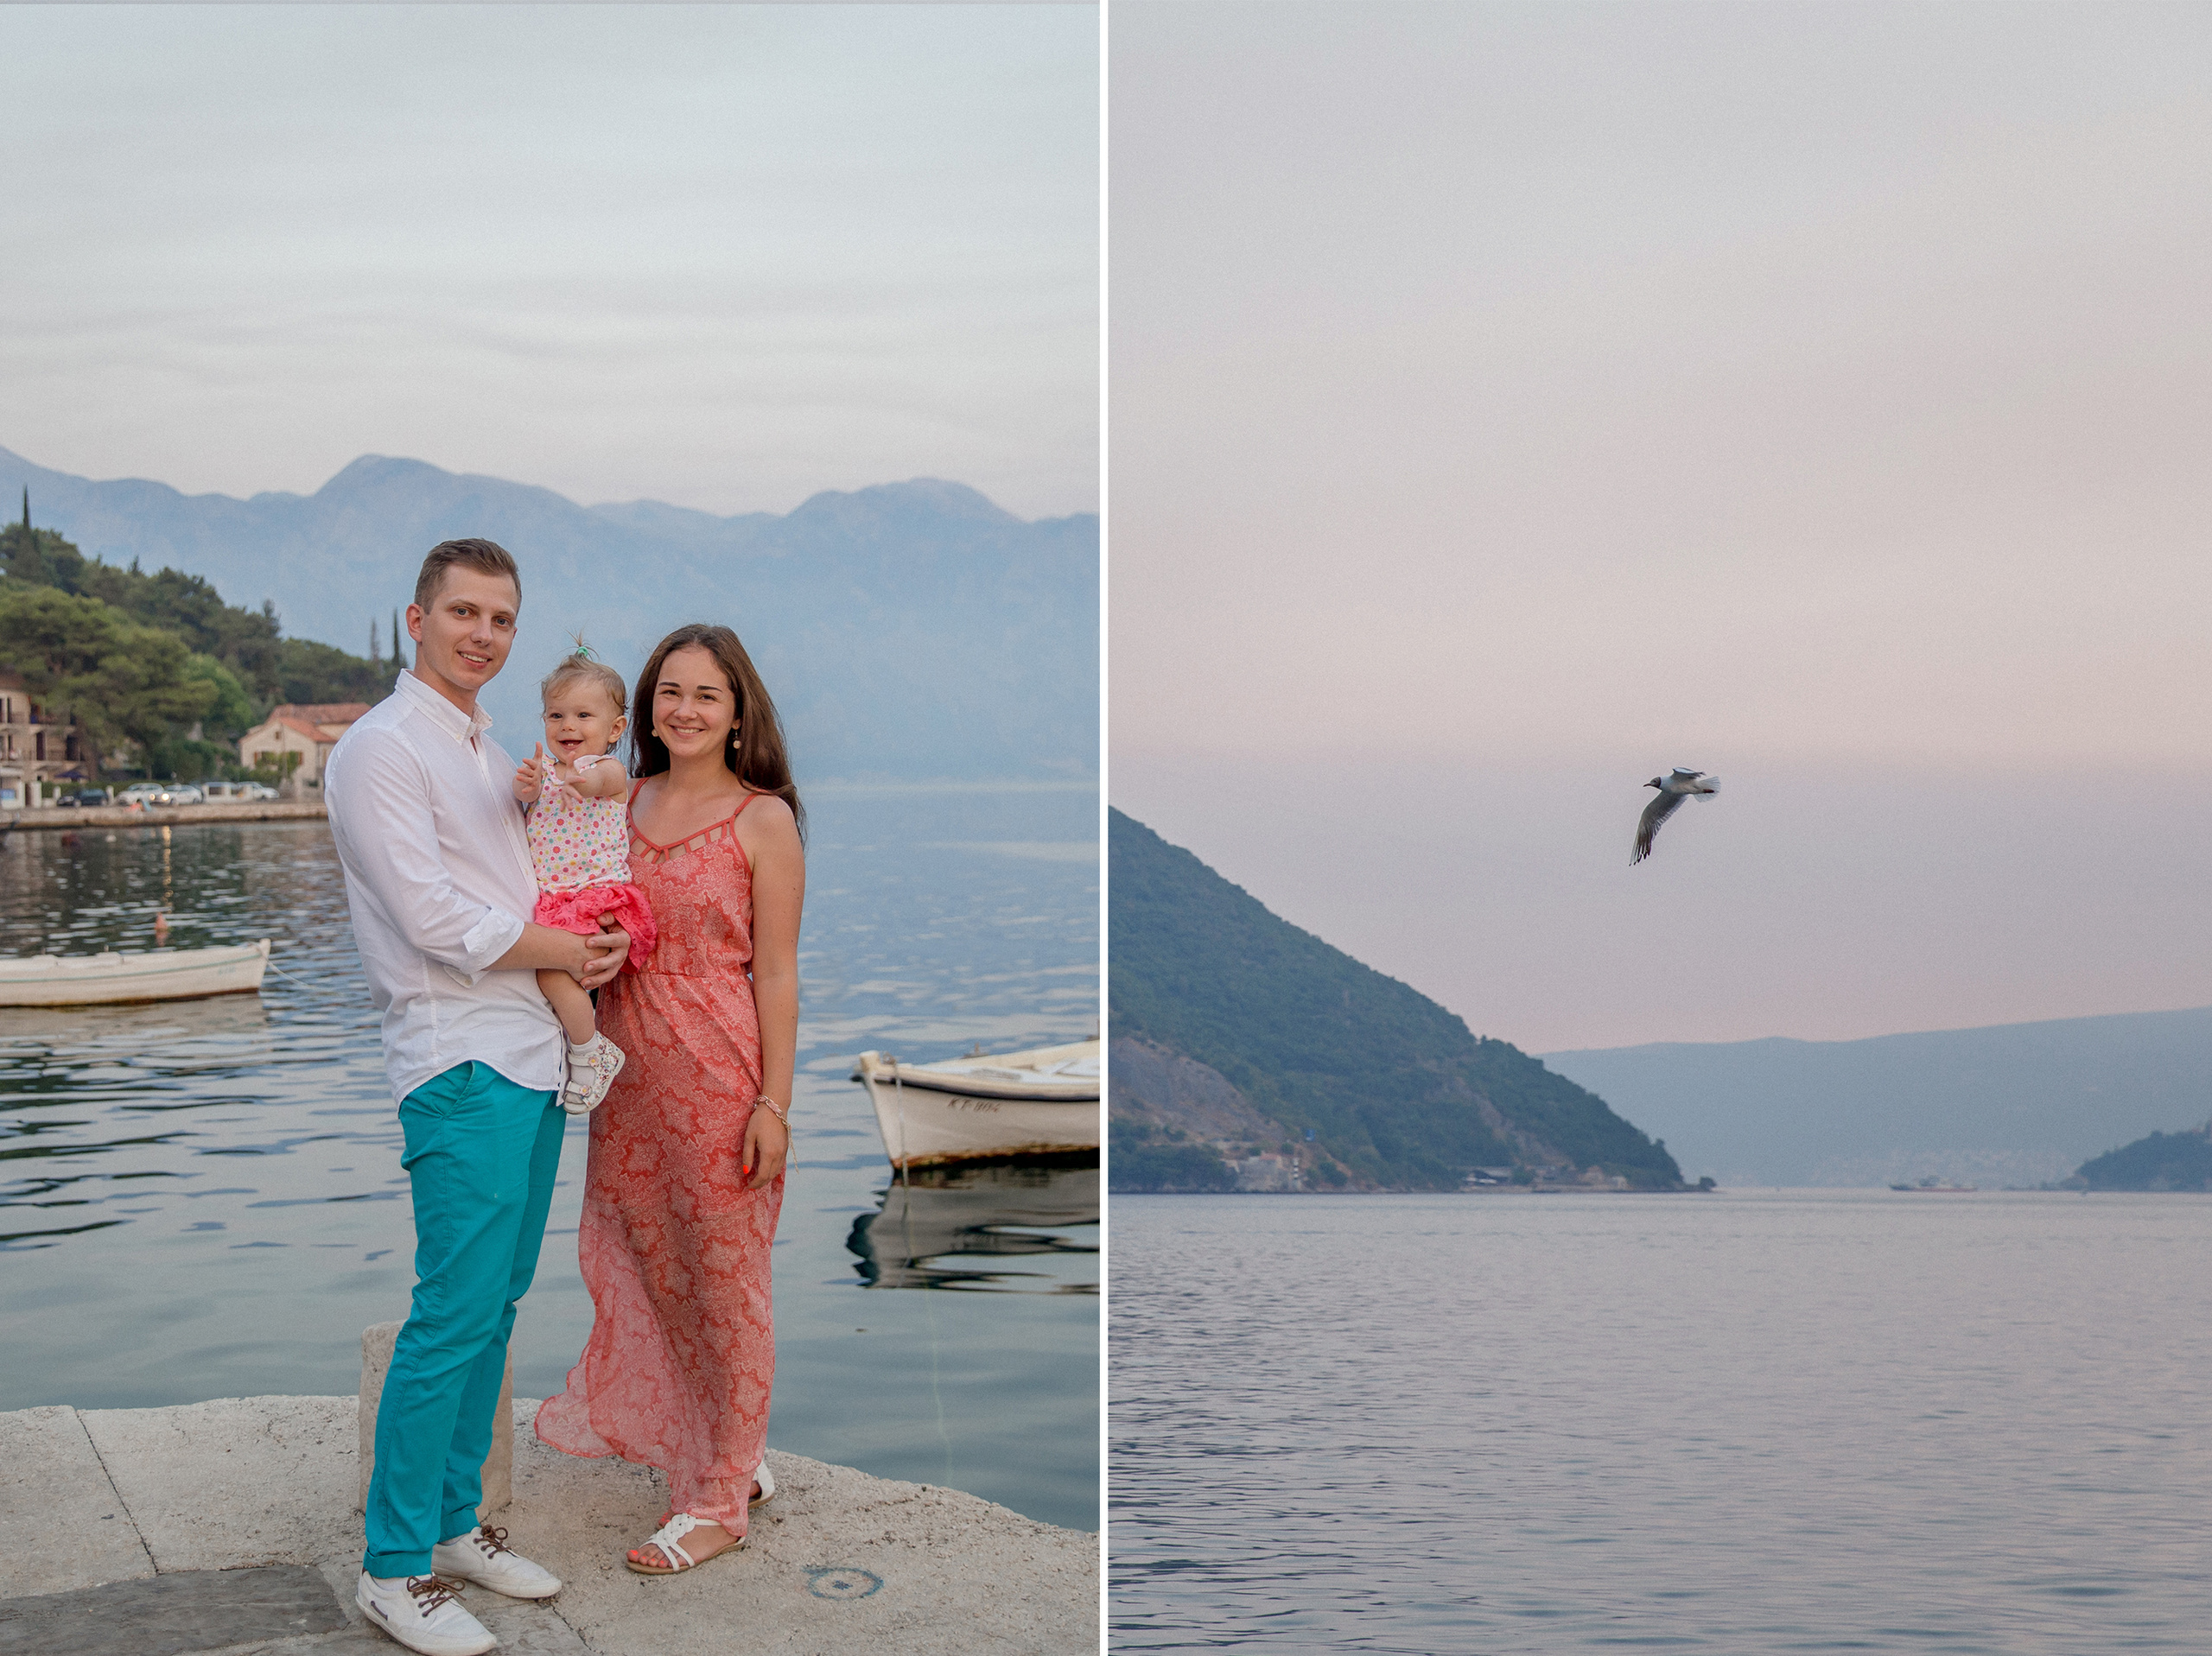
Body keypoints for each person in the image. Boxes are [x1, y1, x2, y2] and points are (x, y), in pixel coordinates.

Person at [326, 538, 630, 1656]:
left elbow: (537, 876)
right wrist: (572, 953)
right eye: (463, 612)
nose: (483, 634)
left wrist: (592, 949)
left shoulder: (492, 748)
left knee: (495, 1308)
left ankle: (453, 1525)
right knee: (451, 1314)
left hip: (532, 1054)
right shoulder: (381, 749)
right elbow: (432, 919)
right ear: (417, 619)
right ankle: (392, 1566)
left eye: (501, 618)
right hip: (457, 1061)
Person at [534, 622, 804, 1577]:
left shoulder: (762, 820)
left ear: (737, 714)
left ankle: (718, 1501)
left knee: (726, 1281)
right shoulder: (619, 796)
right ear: (644, 707)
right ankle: (731, 1450)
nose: (685, 710)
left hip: (718, 1071)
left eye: (707, 695)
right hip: (626, 1074)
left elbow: (777, 971)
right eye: (671, 692)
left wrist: (775, 1106)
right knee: (654, 1268)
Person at [509, 644, 656, 1114]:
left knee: (551, 972)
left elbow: (603, 783)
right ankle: (581, 1045)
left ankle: (589, 1050)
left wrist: (581, 780)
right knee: (553, 976)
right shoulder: (546, 773)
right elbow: (525, 800)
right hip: (556, 900)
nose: (568, 726)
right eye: (556, 715)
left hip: (595, 896)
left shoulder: (605, 770)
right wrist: (528, 787)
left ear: (615, 729)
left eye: (583, 716)